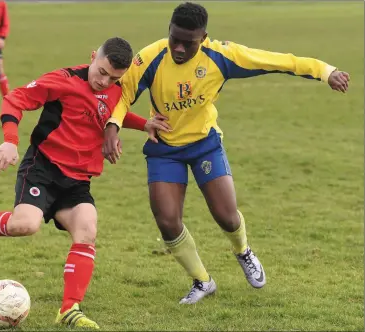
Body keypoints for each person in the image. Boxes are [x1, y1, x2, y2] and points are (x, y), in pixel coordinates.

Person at [102, 2, 350, 305]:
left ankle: (243, 251)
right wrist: (113, 126)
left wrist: (326, 71)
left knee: (226, 216)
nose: (178, 48)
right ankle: (202, 281)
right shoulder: (151, 57)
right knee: (167, 220)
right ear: (168, 30)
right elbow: (125, 94)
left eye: (188, 42)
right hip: (165, 148)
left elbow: (276, 61)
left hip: (204, 142)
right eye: (174, 38)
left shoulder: (221, 56)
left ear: (204, 37)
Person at [0, 37, 170, 329]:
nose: (104, 81)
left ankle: (69, 309)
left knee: (87, 229)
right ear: (92, 56)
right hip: (43, 168)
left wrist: (144, 123)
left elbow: (112, 114)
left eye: (114, 78)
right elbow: (15, 98)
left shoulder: (115, 90)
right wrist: (10, 141)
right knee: (26, 225)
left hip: (77, 181)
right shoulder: (64, 80)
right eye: (101, 72)